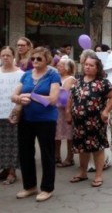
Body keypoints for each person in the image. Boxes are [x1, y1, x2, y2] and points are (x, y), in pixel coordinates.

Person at [12, 47, 61, 202]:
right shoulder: (26, 75)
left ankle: (47, 188)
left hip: (46, 120)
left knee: (47, 154)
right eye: (33, 58)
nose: (34, 61)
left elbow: (53, 100)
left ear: (47, 59)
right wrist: (19, 99)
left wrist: (31, 96)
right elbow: (14, 95)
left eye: (39, 59)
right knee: (25, 153)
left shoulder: (53, 75)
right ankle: (30, 186)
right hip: (26, 119)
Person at [67, 51, 112, 188]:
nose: (87, 67)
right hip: (79, 122)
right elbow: (71, 98)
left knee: (97, 148)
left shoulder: (102, 83)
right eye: (86, 65)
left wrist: (106, 111)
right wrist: (68, 112)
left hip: (95, 122)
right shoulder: (78, 82)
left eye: (91, 65)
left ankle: (98, 175)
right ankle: (82, 173)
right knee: (82, 148)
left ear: (97, 68)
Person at [0, 46, 24, 185]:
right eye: (2, 55)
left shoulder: (20, 74)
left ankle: (12, 172)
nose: (5, 58)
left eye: (8, 55)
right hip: (0, 112)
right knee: (2, 144)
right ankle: (4, 168)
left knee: (13, 144)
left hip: (13, 114)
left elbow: (22, 92)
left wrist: (19, 109)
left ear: (13, 57)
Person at [55, 58, 77, 168]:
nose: (58, 67)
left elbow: (64, 94)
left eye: (61, 66)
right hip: (56, 109)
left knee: (69, 134)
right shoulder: (57, 77)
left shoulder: (70, 79)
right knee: (56, 134)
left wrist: (53, 93)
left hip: (66, 110)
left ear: (68, 67)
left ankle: (70, 158)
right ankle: (56, 156)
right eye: (58, 65)